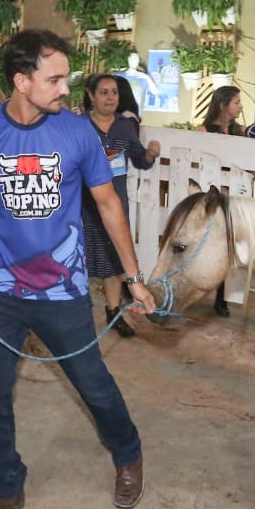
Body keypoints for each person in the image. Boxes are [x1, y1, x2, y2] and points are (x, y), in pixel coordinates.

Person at [0, 29, 156, 509]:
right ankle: (3, 487)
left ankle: (128, 455)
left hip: (63, 290)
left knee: (94, 385)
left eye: (67, 77)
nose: (65, 88)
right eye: (54, 78)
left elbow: (108, 204)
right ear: (21, 81)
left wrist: (133, 278)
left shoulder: (78, 133)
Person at [80, 74, 159, 337]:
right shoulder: (78, 126)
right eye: (103, 92)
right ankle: (73, 314)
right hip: (81, 205)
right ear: (91, 96)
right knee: (76, 259)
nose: (110, 97)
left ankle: (113, 312)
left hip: (116, 204)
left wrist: (150, 154)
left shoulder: (125, 126)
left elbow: (140, 160)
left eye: (113, 92)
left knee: (114, 261)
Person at [196, 85, 244, 316]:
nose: (240, 106)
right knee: (207, 241)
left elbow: (250, 161)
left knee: (229, 243)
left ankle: (221, 296)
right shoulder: (204, 130)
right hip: (211, 194)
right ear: (223, 104)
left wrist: (247, 178)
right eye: (236, 102)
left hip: (234, 195)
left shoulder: (241, 132)